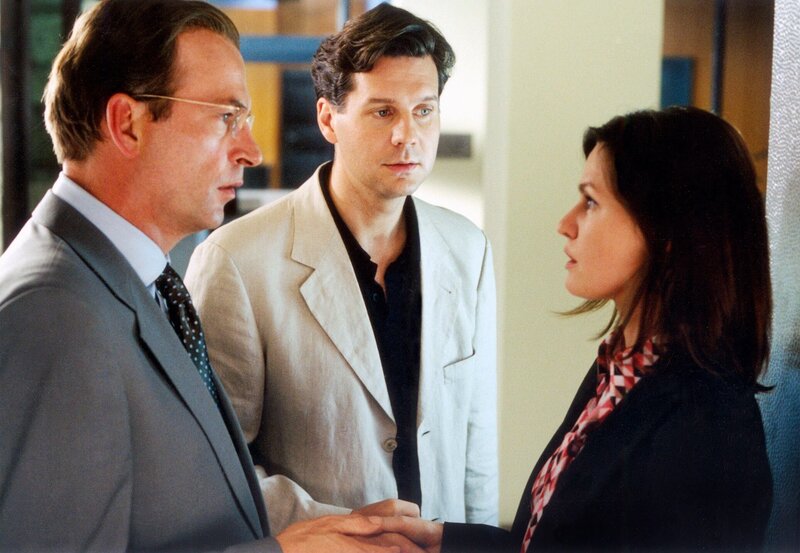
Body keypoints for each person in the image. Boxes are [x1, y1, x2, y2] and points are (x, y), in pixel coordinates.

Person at [0, 1, 426, 551]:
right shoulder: (53, 314)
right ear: (127, 124)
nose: (251, 151)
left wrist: (306, 535)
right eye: (226, 117)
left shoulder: (138, 284)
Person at [386, 106, 774, 552]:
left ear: (667, 231)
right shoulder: (620, 371)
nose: (565, 224)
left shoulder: (710, 428)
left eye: (591, 202)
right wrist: (443, 543)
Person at [184, 2, 498, 534]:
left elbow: (477, 451)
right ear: (328, 118)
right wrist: (345, 528)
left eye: (424, 110)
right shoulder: (236, 260)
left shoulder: (468, 249)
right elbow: (213, 466)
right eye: (383, 112)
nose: (407, 135)